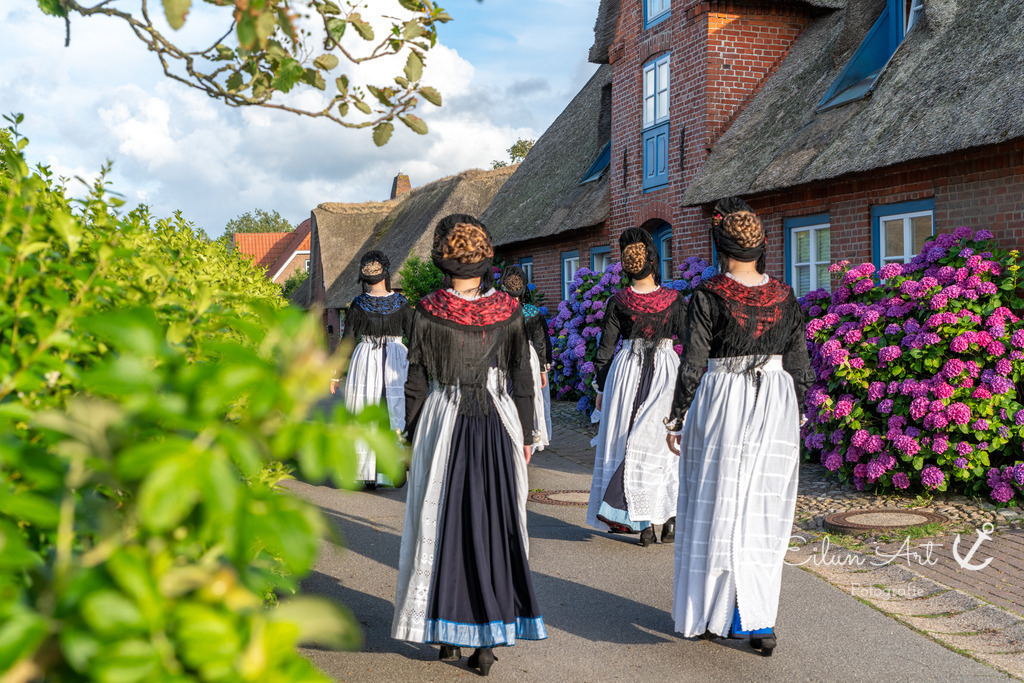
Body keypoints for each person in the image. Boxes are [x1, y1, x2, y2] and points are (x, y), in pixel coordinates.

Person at [392, 214, 546, 676]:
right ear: (486, 259)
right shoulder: (509, 311)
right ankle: (486, 639)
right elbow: (521, 376)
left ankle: (445, 632)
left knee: (443, 525)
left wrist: (411, 434)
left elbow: (416, 380)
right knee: (496, 527)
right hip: (498, 422)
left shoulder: (426, 310)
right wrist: (527, 432)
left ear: (443, 261)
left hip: (445, 421)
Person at [665, 198, 813, 656]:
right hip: (775, 398)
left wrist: (677, 417)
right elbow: (799, 362)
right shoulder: (786, 295)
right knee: (761, 509)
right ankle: (757, 620)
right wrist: (799, 409)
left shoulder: (708, 295)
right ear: (762, 245)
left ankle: (710, 612)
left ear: (720, 247)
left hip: (723, 399)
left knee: (715, 501)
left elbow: (693, 362)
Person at [586, 228, 685, 547]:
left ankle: (641, 523)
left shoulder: (619, 301)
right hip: (667, 372)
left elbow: (604, 350)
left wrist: (600, 389)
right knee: (663, 448)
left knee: (628, 442)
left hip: (627, 373)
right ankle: (668, 519)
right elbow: (692, 341)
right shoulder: (674, 300)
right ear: (654, 262)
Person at [330, 250, 414, 488]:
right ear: (387, 273)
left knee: (366, 410)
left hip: (366, 358)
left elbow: (347, 341)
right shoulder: (402, 303)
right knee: (393, 410)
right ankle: (392, 466)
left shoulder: (358, 304)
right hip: (396, 359)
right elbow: (415, 337)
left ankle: (365, 470)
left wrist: (336, 374)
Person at [500, 264, 550, 454]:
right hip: (529, 356)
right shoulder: (532, 312)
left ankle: (509, 431)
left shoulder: (499, 312)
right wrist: (543, 370)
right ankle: (530, 433)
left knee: (506, 394)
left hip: (504, 354)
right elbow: (540, 343)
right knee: (529, 395)